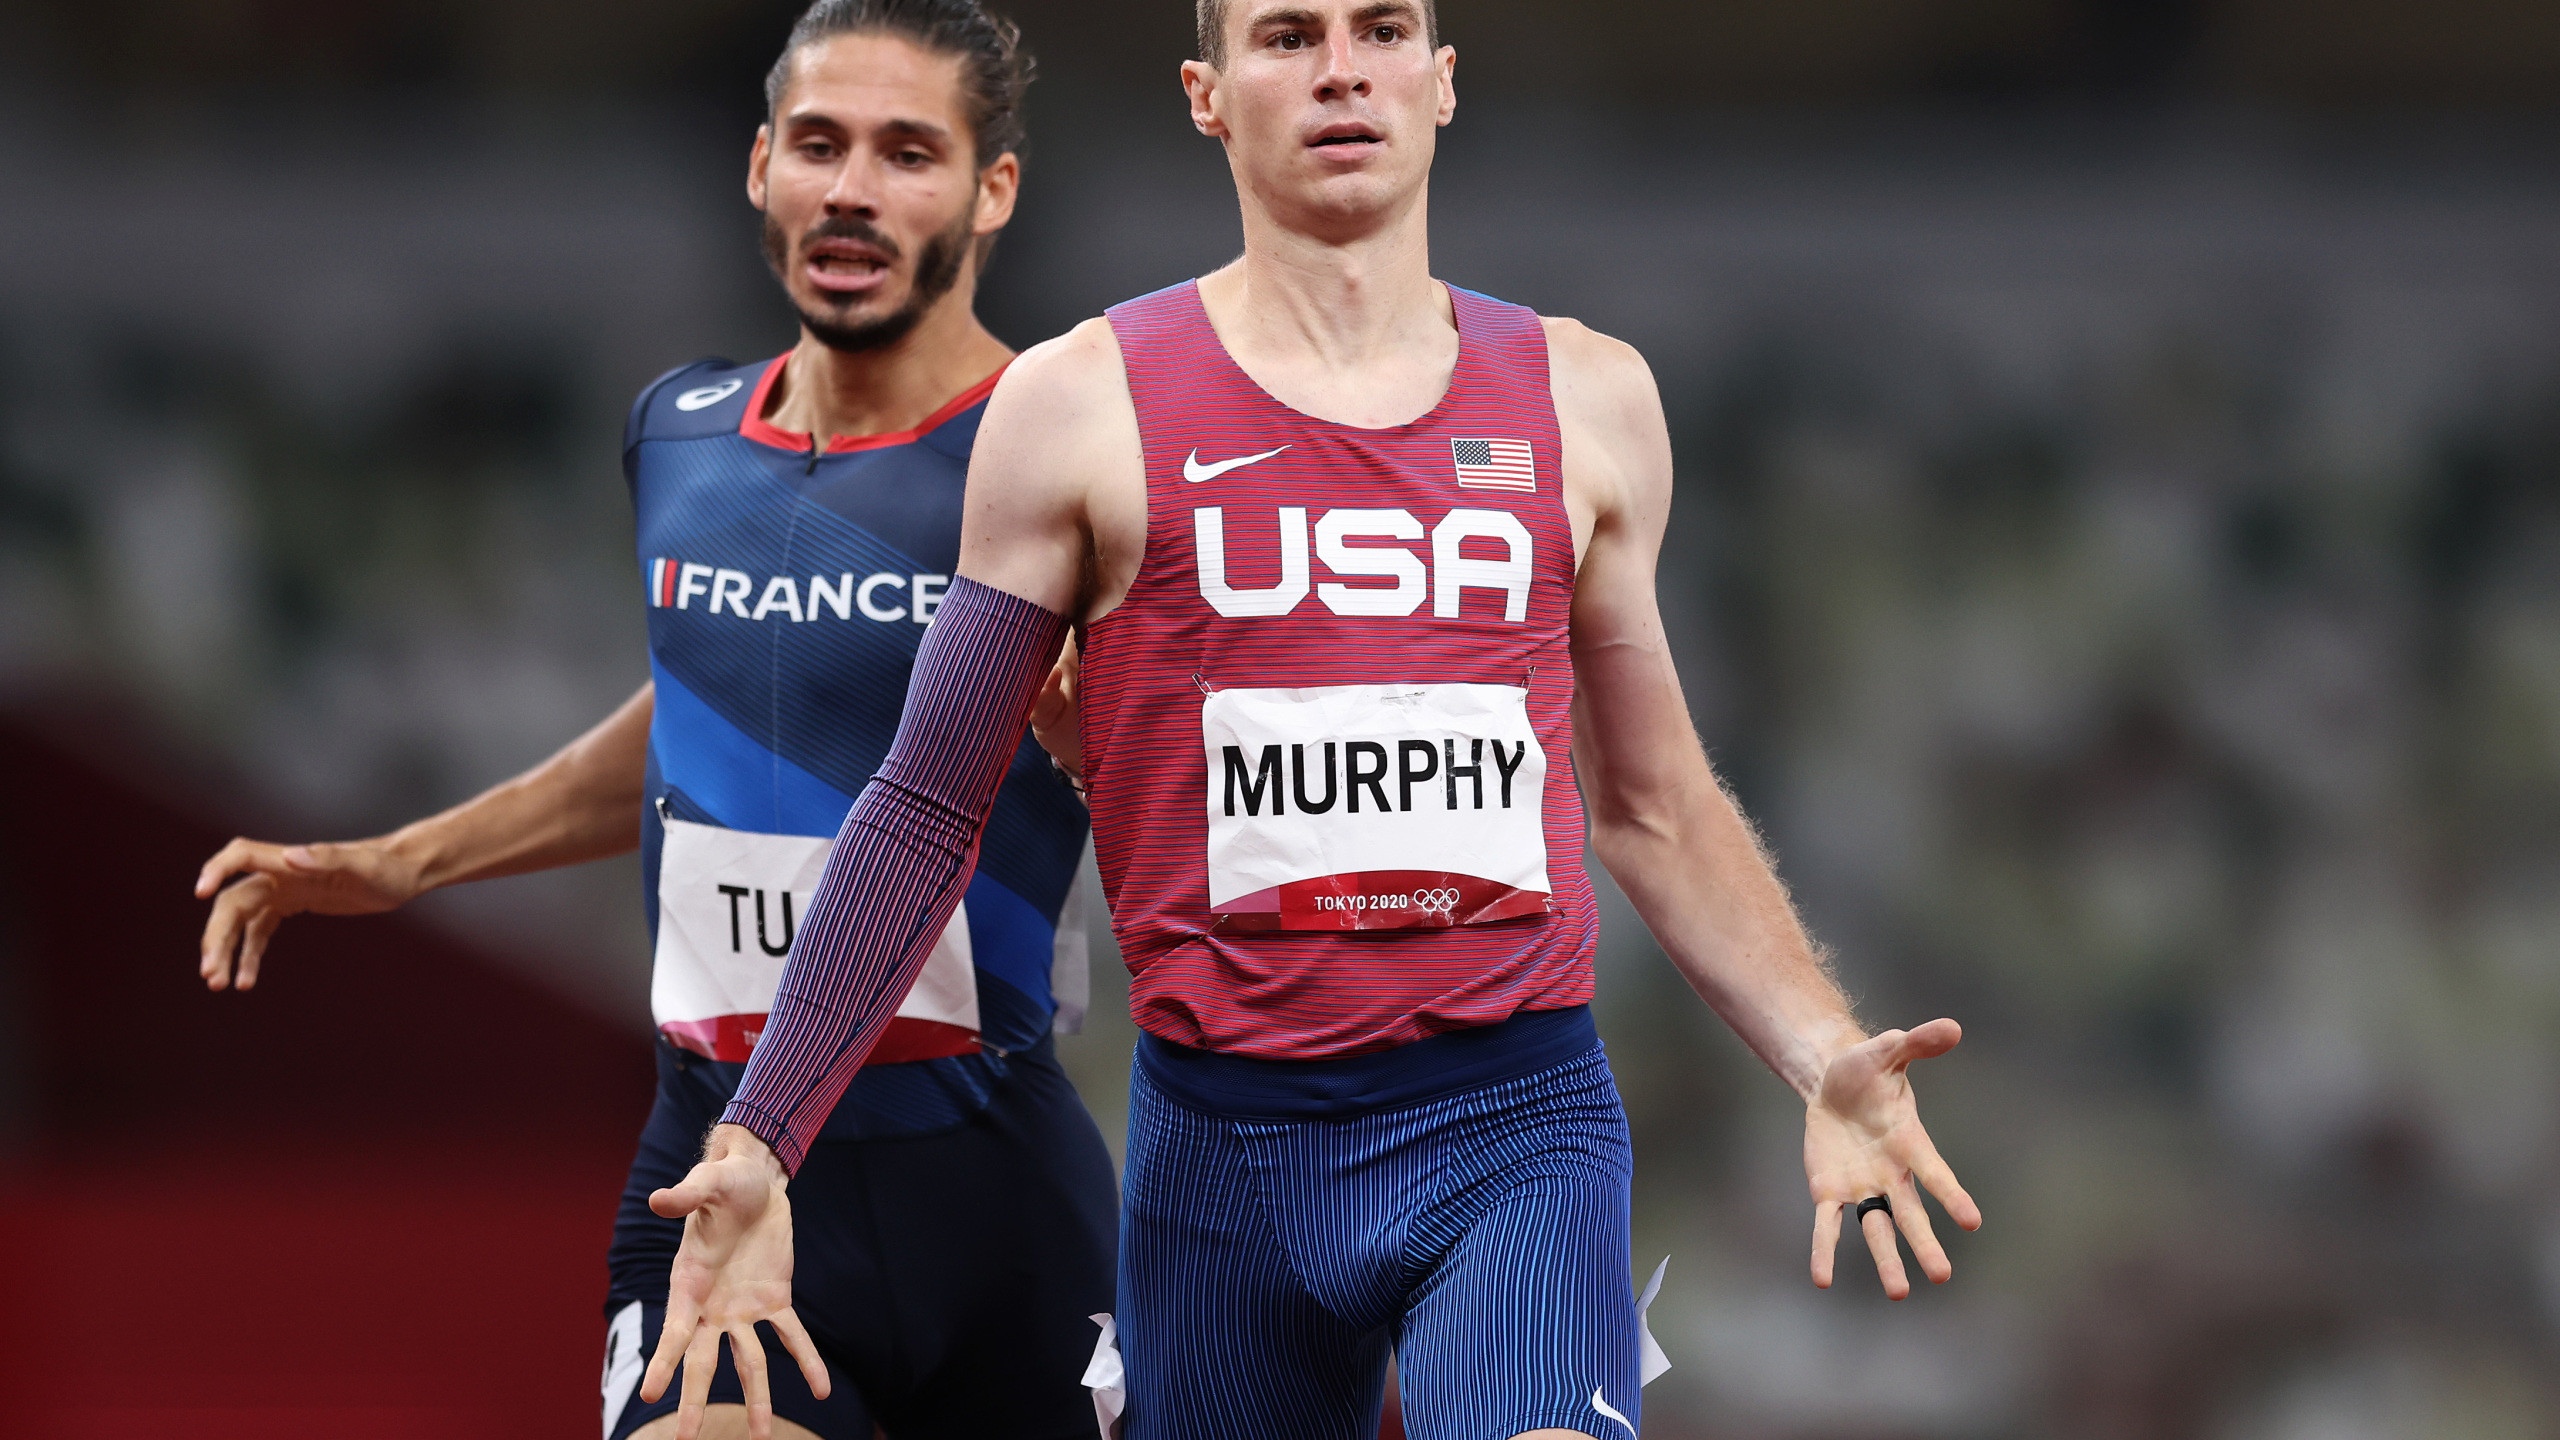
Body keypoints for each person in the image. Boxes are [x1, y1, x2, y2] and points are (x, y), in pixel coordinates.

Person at [641, 2, 1985, 1438]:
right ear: (1207, 94)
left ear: (1442, 81)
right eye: (1287, 35)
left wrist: (1820, 1049)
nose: (1343, 69)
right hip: (1222, 1158)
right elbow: (925, 807)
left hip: (1513, 1124)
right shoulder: (1078, 409)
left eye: (1381, 29)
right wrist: (762, 1134)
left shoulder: (1588, 399)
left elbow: (1653, 804)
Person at [190, 5, 1119, 1438]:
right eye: (818, 144)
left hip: (991, 1194)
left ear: (991, 190)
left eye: (906, 152)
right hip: (714, 1164)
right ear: (759, 166)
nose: (850, 190)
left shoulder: (1057, 458)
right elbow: (696, 714)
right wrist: (402, 862)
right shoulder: (678, 435)